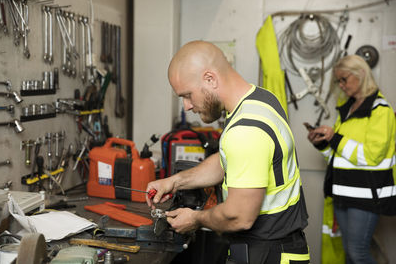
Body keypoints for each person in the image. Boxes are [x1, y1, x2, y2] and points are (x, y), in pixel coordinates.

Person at [146, 40, 310, 263]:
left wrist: (195, 219)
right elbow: (228, 161)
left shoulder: (246, 130)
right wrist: (175, 182)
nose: (186, 106)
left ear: (210, 79)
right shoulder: (260, 99)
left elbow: (238, 216)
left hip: (269, 253)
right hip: (272, 246)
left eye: (187, 95)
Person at [307, 54, 396, 264]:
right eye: (338, 81)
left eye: (344, 79)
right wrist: (322, 143)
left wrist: (335, 138)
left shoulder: (380, 111)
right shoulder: (347, 109)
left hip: (365, 195)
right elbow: (338, 156)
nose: (341, 85)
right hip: (342, 192)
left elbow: (372, 157)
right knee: (349, 252)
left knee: (358, 253)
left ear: (361, 74)